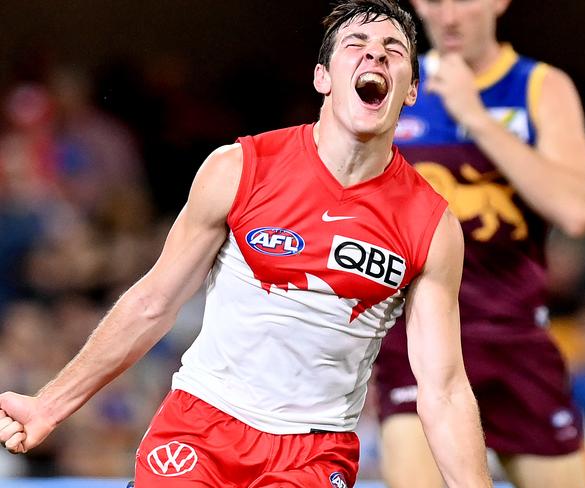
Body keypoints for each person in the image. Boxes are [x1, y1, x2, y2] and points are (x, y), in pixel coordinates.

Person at [0, 1, 493, 487]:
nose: (375, 57)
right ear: (323, 77)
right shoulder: (238, 168)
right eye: (356, 45)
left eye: (393, 50)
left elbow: (444, 389)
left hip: (313, 452)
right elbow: (153, 303)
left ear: (410, 91)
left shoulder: (431, 224)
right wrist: (49, 404)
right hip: (200, 427)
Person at [374, 1, 585, 488]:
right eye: (435, 1)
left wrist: (476, 119)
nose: (449, 16)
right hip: (418, 341)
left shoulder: (540, 87)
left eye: (464, 0)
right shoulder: (391, 86)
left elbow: (578, 211)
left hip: (516, 341)